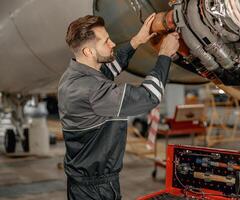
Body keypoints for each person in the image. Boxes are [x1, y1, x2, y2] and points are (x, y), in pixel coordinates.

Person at [58, 14, 179, 200]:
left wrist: (137, 41)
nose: (112, 43)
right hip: (96, 190)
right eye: (106, 41)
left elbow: (111, 68)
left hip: (84, 182)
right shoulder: (92, 90)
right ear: (89, 52)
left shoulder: (76, 75)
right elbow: (149, 97)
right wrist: (165, 54)